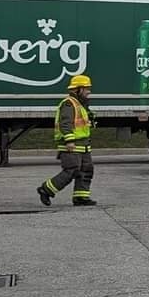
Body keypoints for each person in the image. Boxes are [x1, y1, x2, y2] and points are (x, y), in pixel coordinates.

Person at [37, 75, 97, 207]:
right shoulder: (69, 104)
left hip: (83, 145)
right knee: (72, 170)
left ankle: (81, 197)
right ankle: (45, 190)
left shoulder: (80, 104)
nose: (89, 91)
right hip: (72, 145)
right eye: (86, 88)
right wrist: (69, 141)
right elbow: (65, 124)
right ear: (78, 90)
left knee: (86, 170)